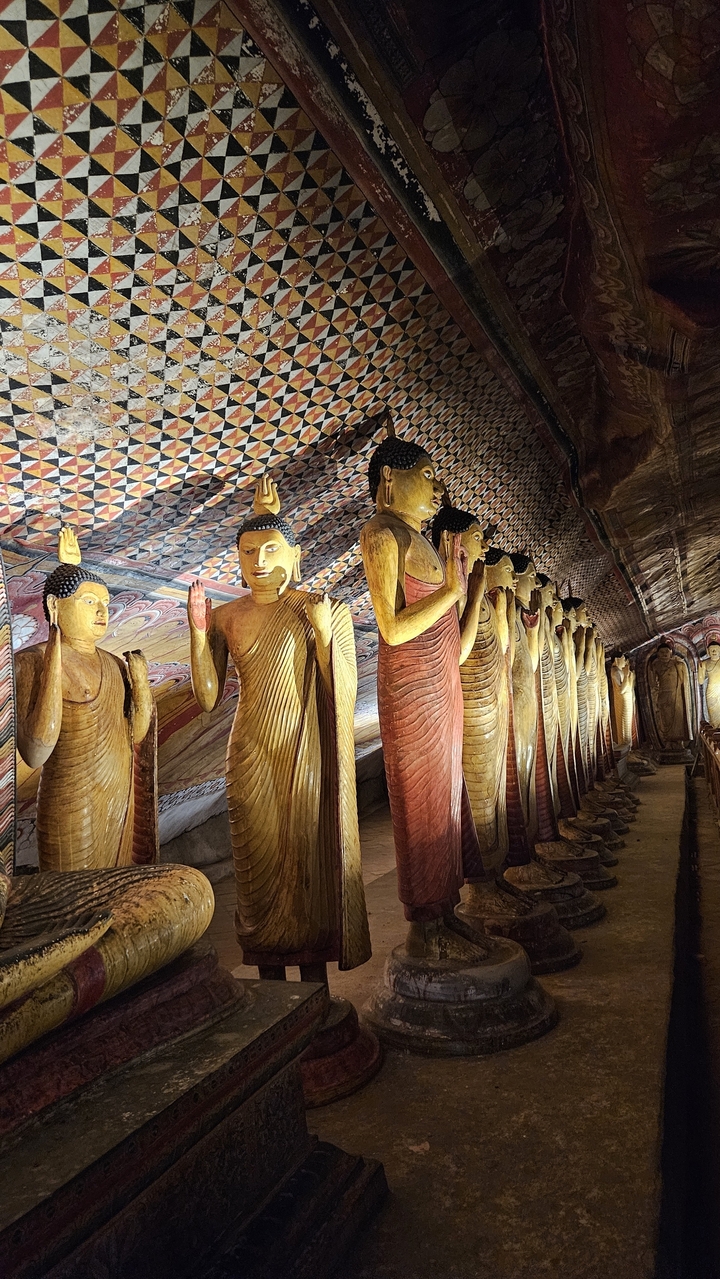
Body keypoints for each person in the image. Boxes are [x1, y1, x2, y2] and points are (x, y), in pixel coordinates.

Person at [188, 477, 370, 980]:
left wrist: (322, 636)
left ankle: (314, 987)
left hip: (303, 749)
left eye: (271, 550)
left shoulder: (318, 607)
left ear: (296, 556)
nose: (259, 561)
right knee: (259, 870)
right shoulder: (227, 615)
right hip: (249, 752)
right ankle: (272, 988)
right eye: (247, 552)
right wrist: (198, 634)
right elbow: (206, 698)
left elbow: (343, 693)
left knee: (304, 861)